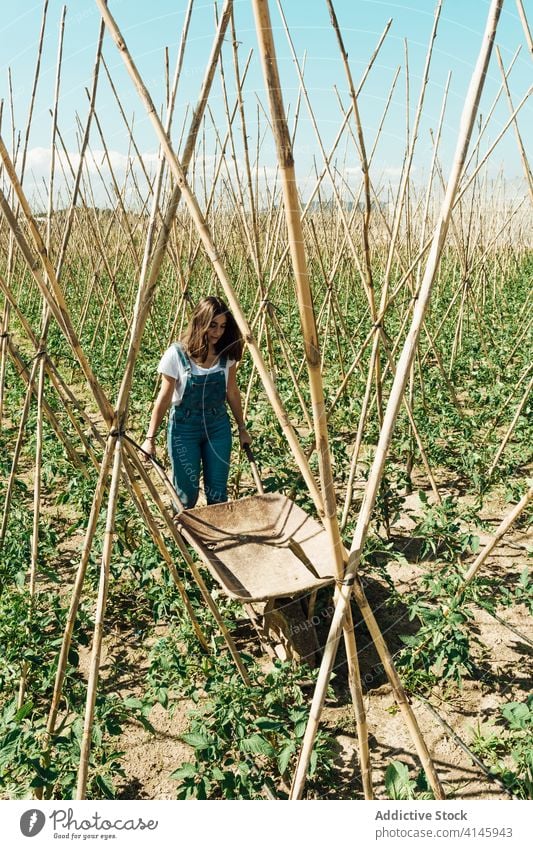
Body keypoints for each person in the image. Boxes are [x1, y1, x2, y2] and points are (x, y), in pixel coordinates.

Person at [141, 296, 251, 510]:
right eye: (212, 326)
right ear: (200, 322)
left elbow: (232, 391)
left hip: (217, 425)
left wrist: (242, 427)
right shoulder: (177, 354)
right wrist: (150, 438)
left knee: (218, 492)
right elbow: (164, 397)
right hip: (184, 428)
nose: (218, 333)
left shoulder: (225, 354)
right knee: (186, 493)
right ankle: (183, 539)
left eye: (222, 326)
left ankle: (217, 542)